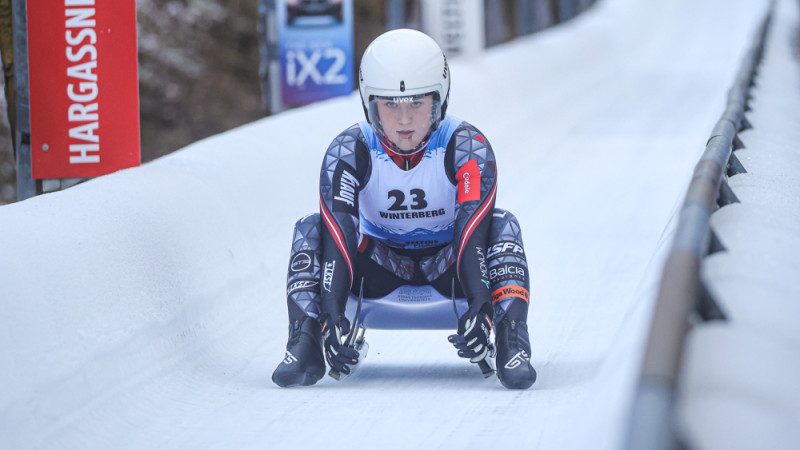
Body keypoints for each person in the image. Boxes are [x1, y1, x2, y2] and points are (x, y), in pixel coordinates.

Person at [272, 29, 536, 389]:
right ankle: (303, 342)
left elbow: (471, 231)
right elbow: (340, 234)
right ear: (370, 105)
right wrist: (331, 313)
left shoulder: (467, 145)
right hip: (379, 267)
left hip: (452, 265)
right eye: (391, 105)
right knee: (310, 227)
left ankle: (512, 340)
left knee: (504, 223)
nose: (405, 120)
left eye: (417, 103)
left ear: (439, 101)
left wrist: (482, 306)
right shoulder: (347, 150)